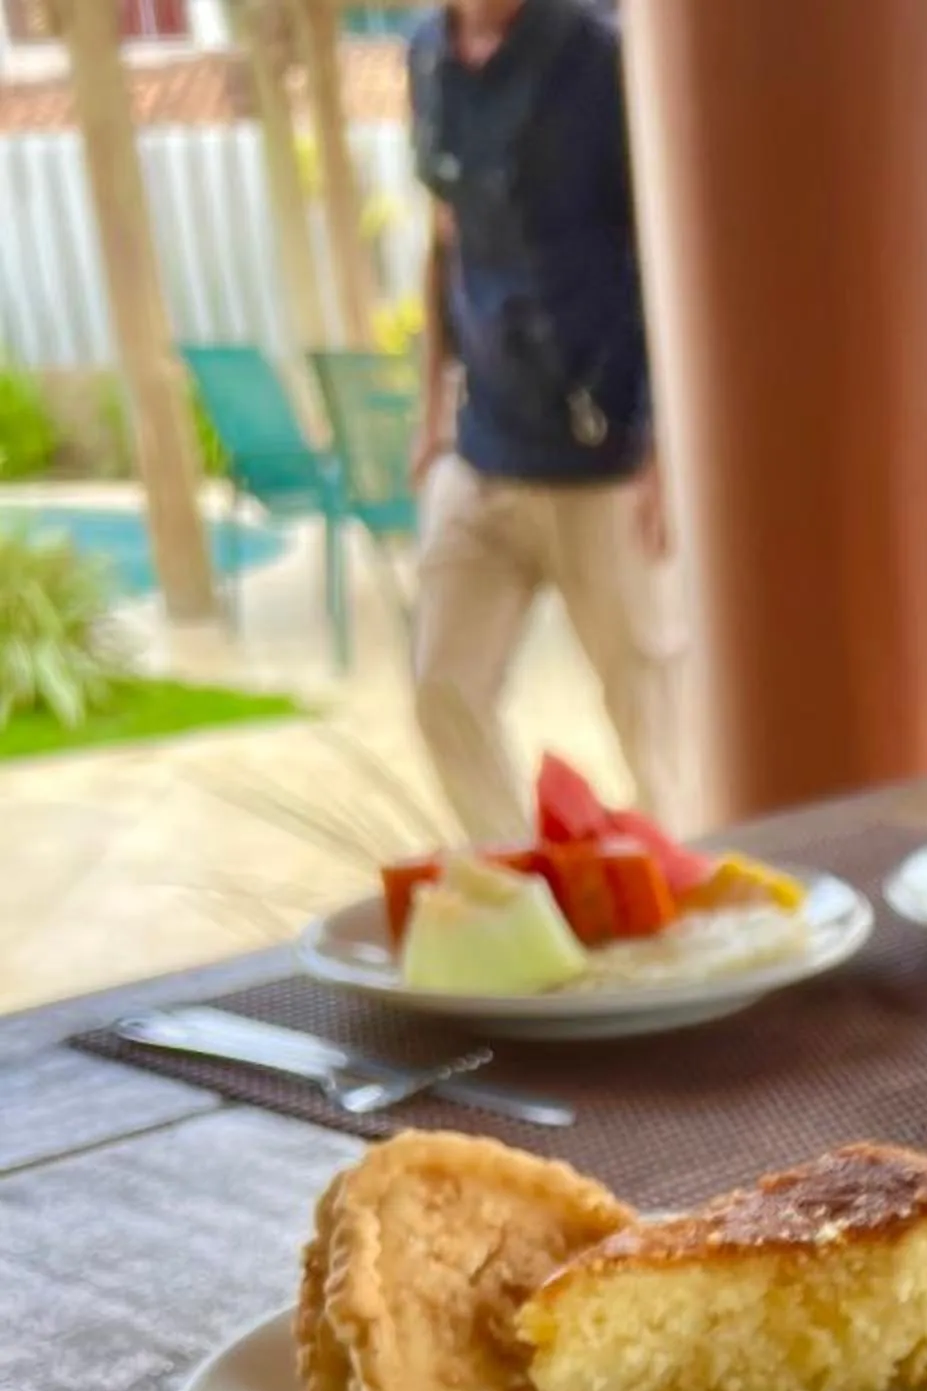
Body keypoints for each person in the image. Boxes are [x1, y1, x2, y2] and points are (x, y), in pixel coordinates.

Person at [406, 0, 685, 843]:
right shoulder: (428, 55)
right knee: (442, 692)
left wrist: (670, 450)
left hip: (608, 466)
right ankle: (525, 899)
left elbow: (670, 244)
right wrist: (432, 411)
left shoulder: (599, 55)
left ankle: (695, 937)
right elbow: (446, 235)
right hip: (484, 450)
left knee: (657, 733)